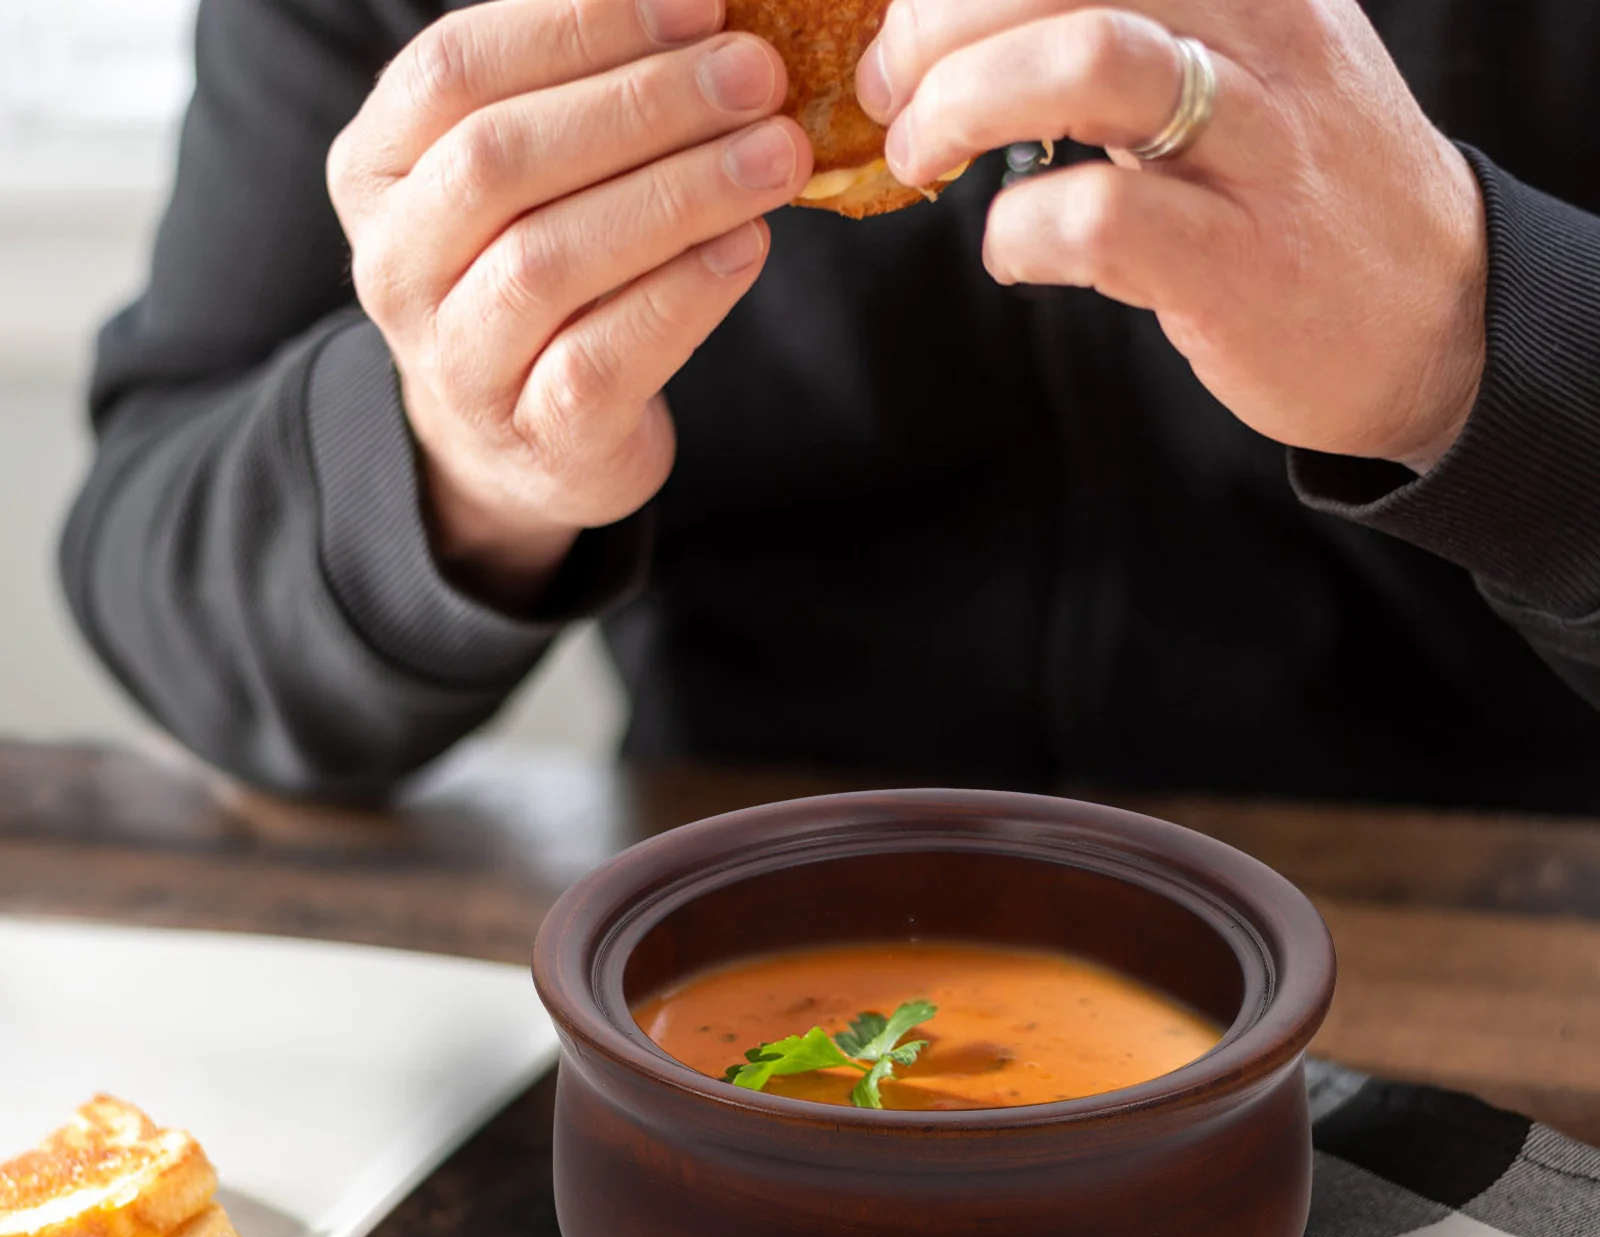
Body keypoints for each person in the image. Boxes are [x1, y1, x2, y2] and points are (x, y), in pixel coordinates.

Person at [60, 0, 1600, 808]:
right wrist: (453, 455)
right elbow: (156, 562)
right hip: (745, 1010)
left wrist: (1479, 331)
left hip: (1508, 1008)